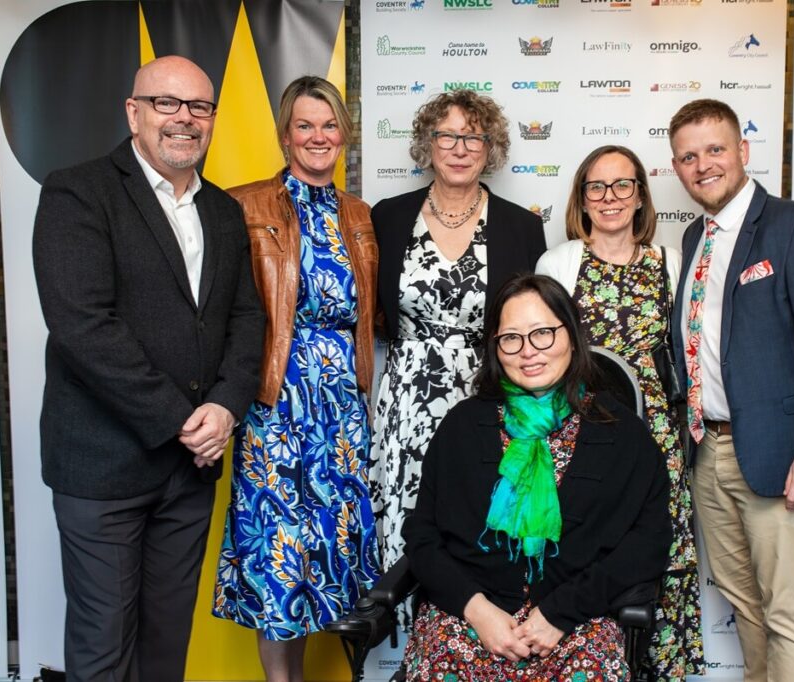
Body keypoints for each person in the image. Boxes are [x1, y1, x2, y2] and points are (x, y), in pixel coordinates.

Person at [32, 55, 265, 682]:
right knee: (104, 647)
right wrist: (182, 418)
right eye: (167, 103)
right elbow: (83, 327)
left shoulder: (222, 210)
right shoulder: (77, 191)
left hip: (188, 471)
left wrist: (225, 406)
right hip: (104, 464)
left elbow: (247, 319)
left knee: (167, 648)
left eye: (200, 107)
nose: (184, 120)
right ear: (133, 112)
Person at [667, 98, 794, 682]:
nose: (703, 164)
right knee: (744, 604)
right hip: (710, 453)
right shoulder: (693, 238)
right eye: (688, 156)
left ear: (743, 151)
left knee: (789, 610)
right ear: (676, 168)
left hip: (783, 456)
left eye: (714, 149)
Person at [402, 274, 671, 681]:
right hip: (471, 616)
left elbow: (647, 544)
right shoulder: (462, 426)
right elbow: (423, 538)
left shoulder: (621, 431)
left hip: (577, 619)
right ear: (496, 347)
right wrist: (477, 611)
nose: (529, 352)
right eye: (512, 338)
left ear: (572, 335)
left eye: (543, 333)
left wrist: (560, 614)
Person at [210, 75, 380, 682]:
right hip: (276, 402)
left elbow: (371, 313)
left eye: (329, 125)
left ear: (344, 135)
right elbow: (222, 309)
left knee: (330, 555)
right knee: (279, 560)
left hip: (341, 409)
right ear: (285, 135)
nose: (318, 136)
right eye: (304, 125)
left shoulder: (359, 216)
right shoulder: (242, 205)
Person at [369, 90, 546, 601]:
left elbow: (530, 321)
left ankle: (474, 635)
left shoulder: (521, 225)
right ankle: (410, 649)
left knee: (477, 517)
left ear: (490, 148)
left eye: (474, 136)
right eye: (447, 135)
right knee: (406, 521)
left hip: (486, 396)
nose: (460, 147)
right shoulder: (389, 217)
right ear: (429, 143)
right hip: (405, 398)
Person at [536, 144, 705, 680]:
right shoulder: (559, 262)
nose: (609, 198)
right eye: (596, 187)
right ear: (582, 200)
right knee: (586, 547)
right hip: (578, 432)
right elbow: (542, 358)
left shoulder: (671, 264)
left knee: (662, 552)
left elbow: (689, 354)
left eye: (622, 185)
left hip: (654, 432)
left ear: (640, 196)